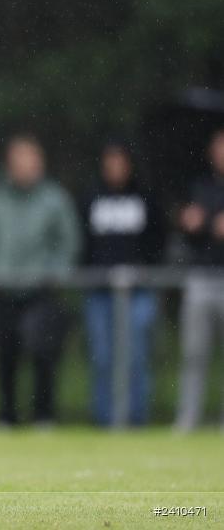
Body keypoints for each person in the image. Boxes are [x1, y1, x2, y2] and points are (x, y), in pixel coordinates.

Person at [0, 134, 81, 425]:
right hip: (2, 290)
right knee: (6, 356)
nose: (25, 166)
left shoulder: (55, 200)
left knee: (44, 353)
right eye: (19, 159)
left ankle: (44, 415)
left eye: (31, 159)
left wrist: (57, 272)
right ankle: (6, 416)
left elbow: (68, 241)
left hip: (42, 290)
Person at [82, 140, 165, 426]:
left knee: (136, 358)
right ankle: (106, 421)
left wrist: (146, 269)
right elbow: (83, 243)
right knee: (103, 359)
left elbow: (158, 240)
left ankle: (136, 419)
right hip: (100, 291)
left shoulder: (146, 198)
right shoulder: (91, 197)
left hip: (138, 291)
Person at [175, 128, 224, 431]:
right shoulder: (198, 186)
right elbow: (188, 228)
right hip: (201, 277)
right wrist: (192, 223)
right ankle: (188, 417)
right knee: (194, 353)